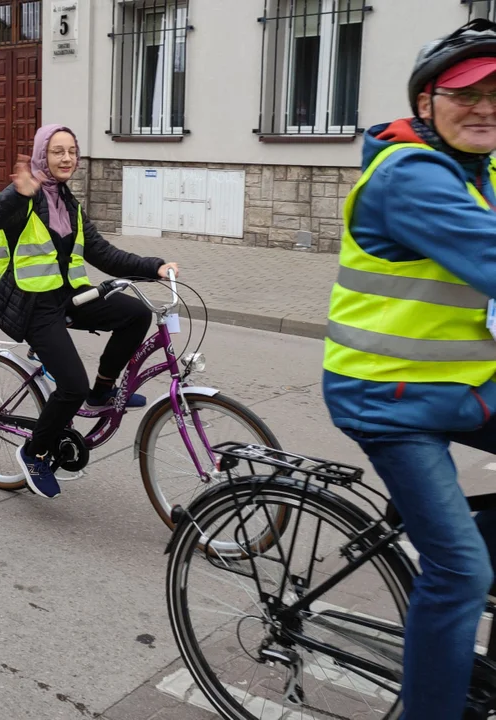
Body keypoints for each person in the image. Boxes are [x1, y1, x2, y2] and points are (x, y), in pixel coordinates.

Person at [322, 19, 496, 719]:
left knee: (465, 557)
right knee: (458, 575)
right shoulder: (412, 176)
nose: (484, 104)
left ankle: (441, 518)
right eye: (465, 93)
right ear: (426, 103)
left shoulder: (479, 164)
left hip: (460, 387)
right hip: (386, 399)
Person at [0, 124, 179, 500]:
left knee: (135, 314)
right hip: (32, 305)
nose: (66, 158)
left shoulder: (68, 203)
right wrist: (17, 194)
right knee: (71, 386)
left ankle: (101, 393)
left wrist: (155, 267)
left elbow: (103, 253)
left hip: (69, 297)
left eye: (71, 151)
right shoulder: (26, 197)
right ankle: (33, 452)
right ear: (42, 156)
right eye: (57, 151)